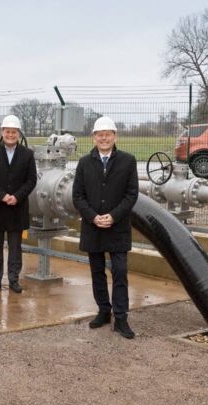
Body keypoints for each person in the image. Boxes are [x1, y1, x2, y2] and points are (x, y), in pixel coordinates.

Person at [72, 116, 139, 339]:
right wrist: (92, 217)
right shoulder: (84, 163)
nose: (103, 138)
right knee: (97, 271)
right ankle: (103, 311)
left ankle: (121, 318)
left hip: (117, 227)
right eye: (100, 134)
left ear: (115, 136)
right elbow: (78, 196)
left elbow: (131, 194)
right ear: (94, 137)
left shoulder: (128, 161)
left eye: (108, 134)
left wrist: (114, 216)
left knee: (120, 271)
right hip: (94, 227)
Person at [0, 115, 38, 293]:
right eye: (7, 131)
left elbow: (31, 180)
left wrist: (17, 196)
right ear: (2, 132)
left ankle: (14, 279)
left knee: (15, 247)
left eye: (14, 132)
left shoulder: (27, 155)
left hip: (17, 208)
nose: (11, 135)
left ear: (19, 134)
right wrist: (3, 196)